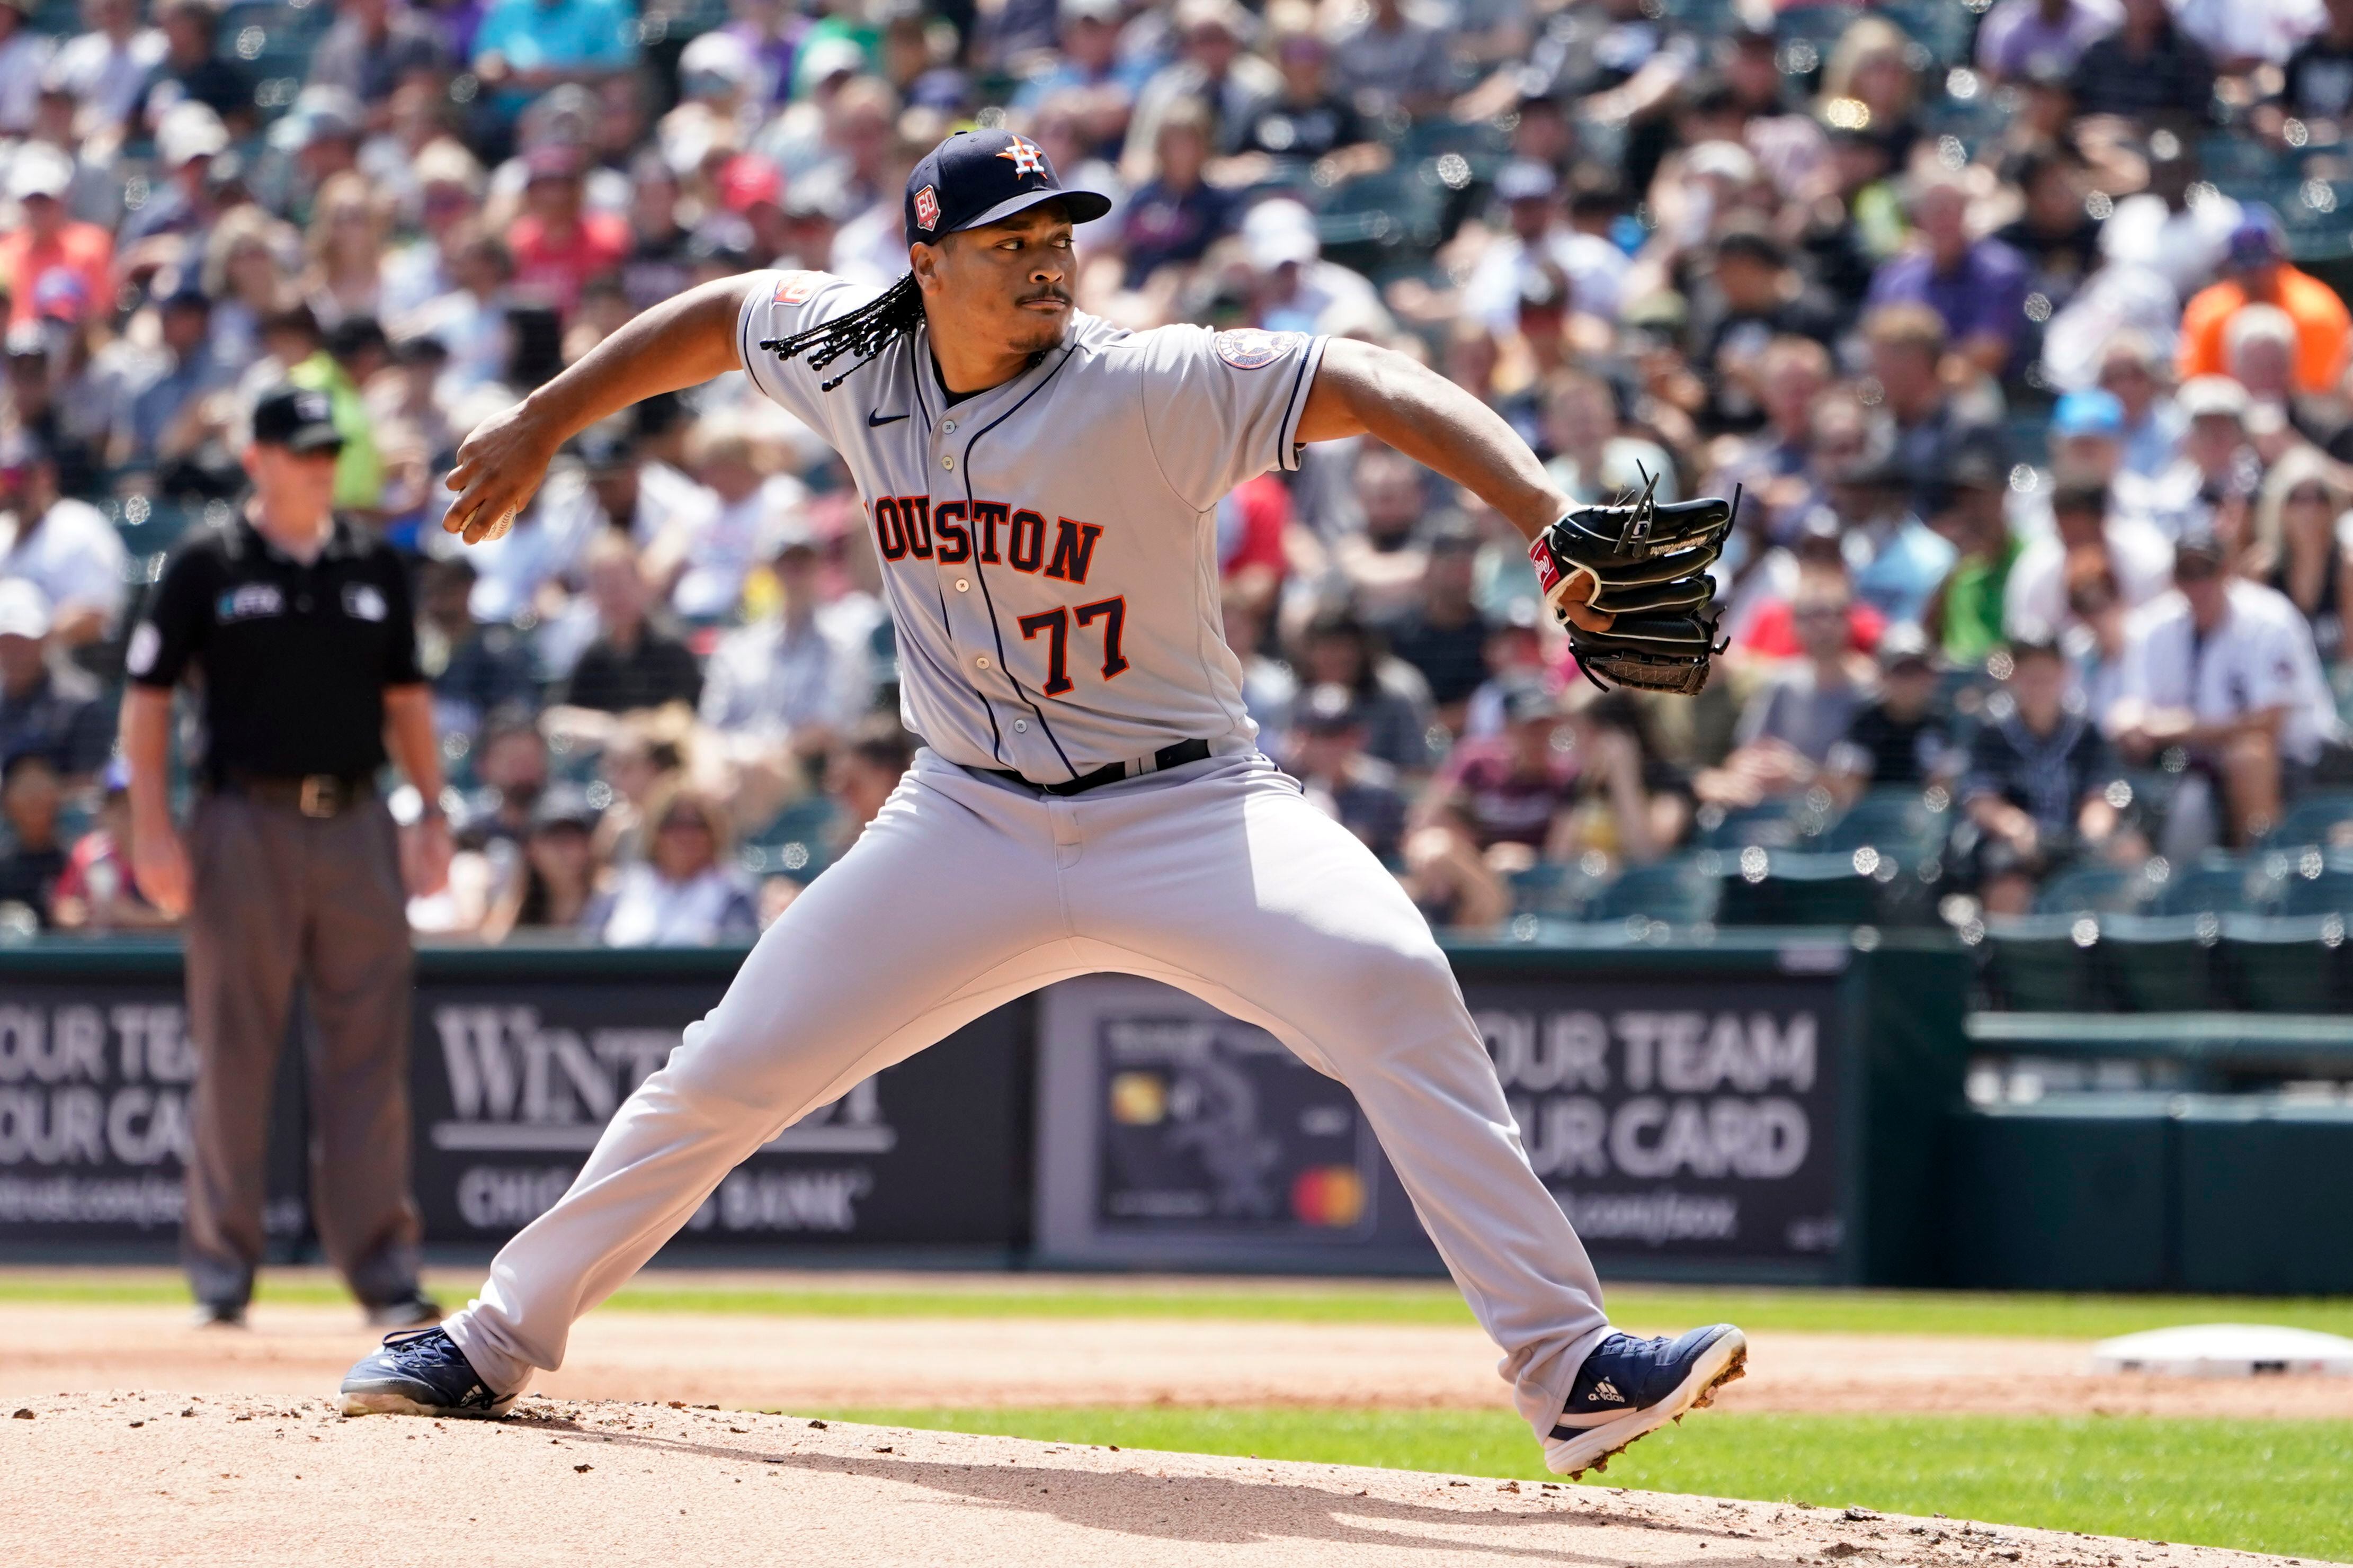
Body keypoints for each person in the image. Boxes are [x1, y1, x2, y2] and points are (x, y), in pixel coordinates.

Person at [340, 126, 1746, 1481]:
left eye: (1059, 234)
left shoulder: (1145, 382)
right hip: (963, 820)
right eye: (1010, 238)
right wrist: (541, 420)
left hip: (1188, 809)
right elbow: (714, 315)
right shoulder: (848, 344)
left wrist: (1539, 510)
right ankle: (495, 1335)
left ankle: (1566, 1367)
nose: (1046, 260)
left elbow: (1366, 380)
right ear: (927, 256)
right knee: (732, 1063)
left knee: (1388, 979)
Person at [114, 385, 450, 1328]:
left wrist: (430, 811)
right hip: (241, 822)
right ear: (256, 458)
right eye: (299, 450)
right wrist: (151, 827)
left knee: (369, 1054)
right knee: (234, 1047)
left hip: (357, 821)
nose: (317, 465)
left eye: (326, 451)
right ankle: (222, 1278)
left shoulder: (376, 565)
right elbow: (145, 702)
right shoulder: (203, 561)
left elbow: (409, 702)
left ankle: (384, 1273)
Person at [2109, 530, 2343, 846]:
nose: (2198, 585)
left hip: (2301, 765)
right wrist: (2133, 727)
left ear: (2227, 572)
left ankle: (2261, 871)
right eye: (2187, 574)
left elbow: (2268, 724)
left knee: (2248, 756)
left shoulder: (2268, 619)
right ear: (2174, 579)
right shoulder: (2154, 627)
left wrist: (2183, 727)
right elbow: (2133, 712)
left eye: (2207, 572)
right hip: (2192, 767)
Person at [1959, 637, 2133, 915]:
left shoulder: (2085, 729)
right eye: (2031, 675)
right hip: (2018, 843)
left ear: (2065, 673)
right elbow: (1982, 801)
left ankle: (2110, 953)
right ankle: (2010, 956)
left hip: (2073, 838)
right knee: (2006, 881)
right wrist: (2017, 828)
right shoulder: (1993, 729)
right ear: (2013, 676)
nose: (2040, 684)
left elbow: (2100, 796)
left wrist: (2093, 835)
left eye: (2047, 674)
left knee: (2129, 852)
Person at [587, 781, 759, 946]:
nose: (685, 836)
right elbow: (590, 946)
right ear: (655, 832)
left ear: (714, 833)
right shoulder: (623, 888)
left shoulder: (734, 893)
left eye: (697, 825)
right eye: (673, 823)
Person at [0, 576, 110, 782]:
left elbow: (93, 787)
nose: (14, 651)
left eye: (23, 640)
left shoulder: (82, 703)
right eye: (5, 641)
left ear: (45, 638)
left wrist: (32, 799)